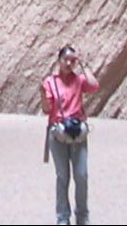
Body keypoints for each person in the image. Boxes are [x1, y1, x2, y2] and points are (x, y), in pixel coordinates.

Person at [41, 44, 98, 226]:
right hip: (58, 133)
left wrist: (83, 64)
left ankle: (82, 217)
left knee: (81, 175)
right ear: (58, 61)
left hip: (77, 133)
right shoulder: (50, 82)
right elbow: (46, 109)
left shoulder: (79, 80)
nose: (68, 63)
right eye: (65, 60)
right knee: (62, 176)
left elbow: (94, 85)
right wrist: (43, 95)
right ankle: (63, 217)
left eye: (72, 60)